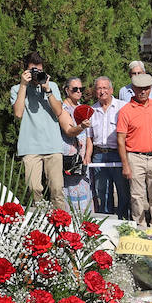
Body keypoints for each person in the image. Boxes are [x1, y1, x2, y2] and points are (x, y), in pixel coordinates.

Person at [11, 51, 66, 208]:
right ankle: (40, 225)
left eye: (39, 71)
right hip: (30, 147)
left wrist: (47, 89)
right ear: (25, 71)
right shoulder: (17, 89)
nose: (36, 74)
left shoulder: (52, 86)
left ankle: (62, 227)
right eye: (32, 71)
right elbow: (18, 113)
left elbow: (59, 111)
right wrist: (23, 85)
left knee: (57, 189)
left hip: (53, 145)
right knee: (34, 188)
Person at [116, 70, 152, 225]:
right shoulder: (125, 110)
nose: (143, 91)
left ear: (151, 88)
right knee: (137, 196)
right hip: (134, 157)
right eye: (139, 88)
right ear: (133, 89)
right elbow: (120, 140)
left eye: (146, 88)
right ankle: (139, 226)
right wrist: (125, 164)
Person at [83, 75, 128, 219]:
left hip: (118, 154)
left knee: (122, 190)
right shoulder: (91, 111)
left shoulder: (123, 107)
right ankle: (106, 221)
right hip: (99, 155)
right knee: (102, 190)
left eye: (105, 88)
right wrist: (87, 156)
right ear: (95, 91)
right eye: (99, 88)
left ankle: (123, 220)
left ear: (111, 90)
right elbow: (89, 137)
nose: (102, 91)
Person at [57, 77, 93, 212]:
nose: (79, 92)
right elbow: (69, 131)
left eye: (81, 89)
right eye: (75, 89)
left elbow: (89, 136)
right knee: (69, 194)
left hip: (83, 159)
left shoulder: (81, 108)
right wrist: (82, 126)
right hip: (70, 159)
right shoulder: (62, 108)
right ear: (67, 90)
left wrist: (88, 154)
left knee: (85, 193)